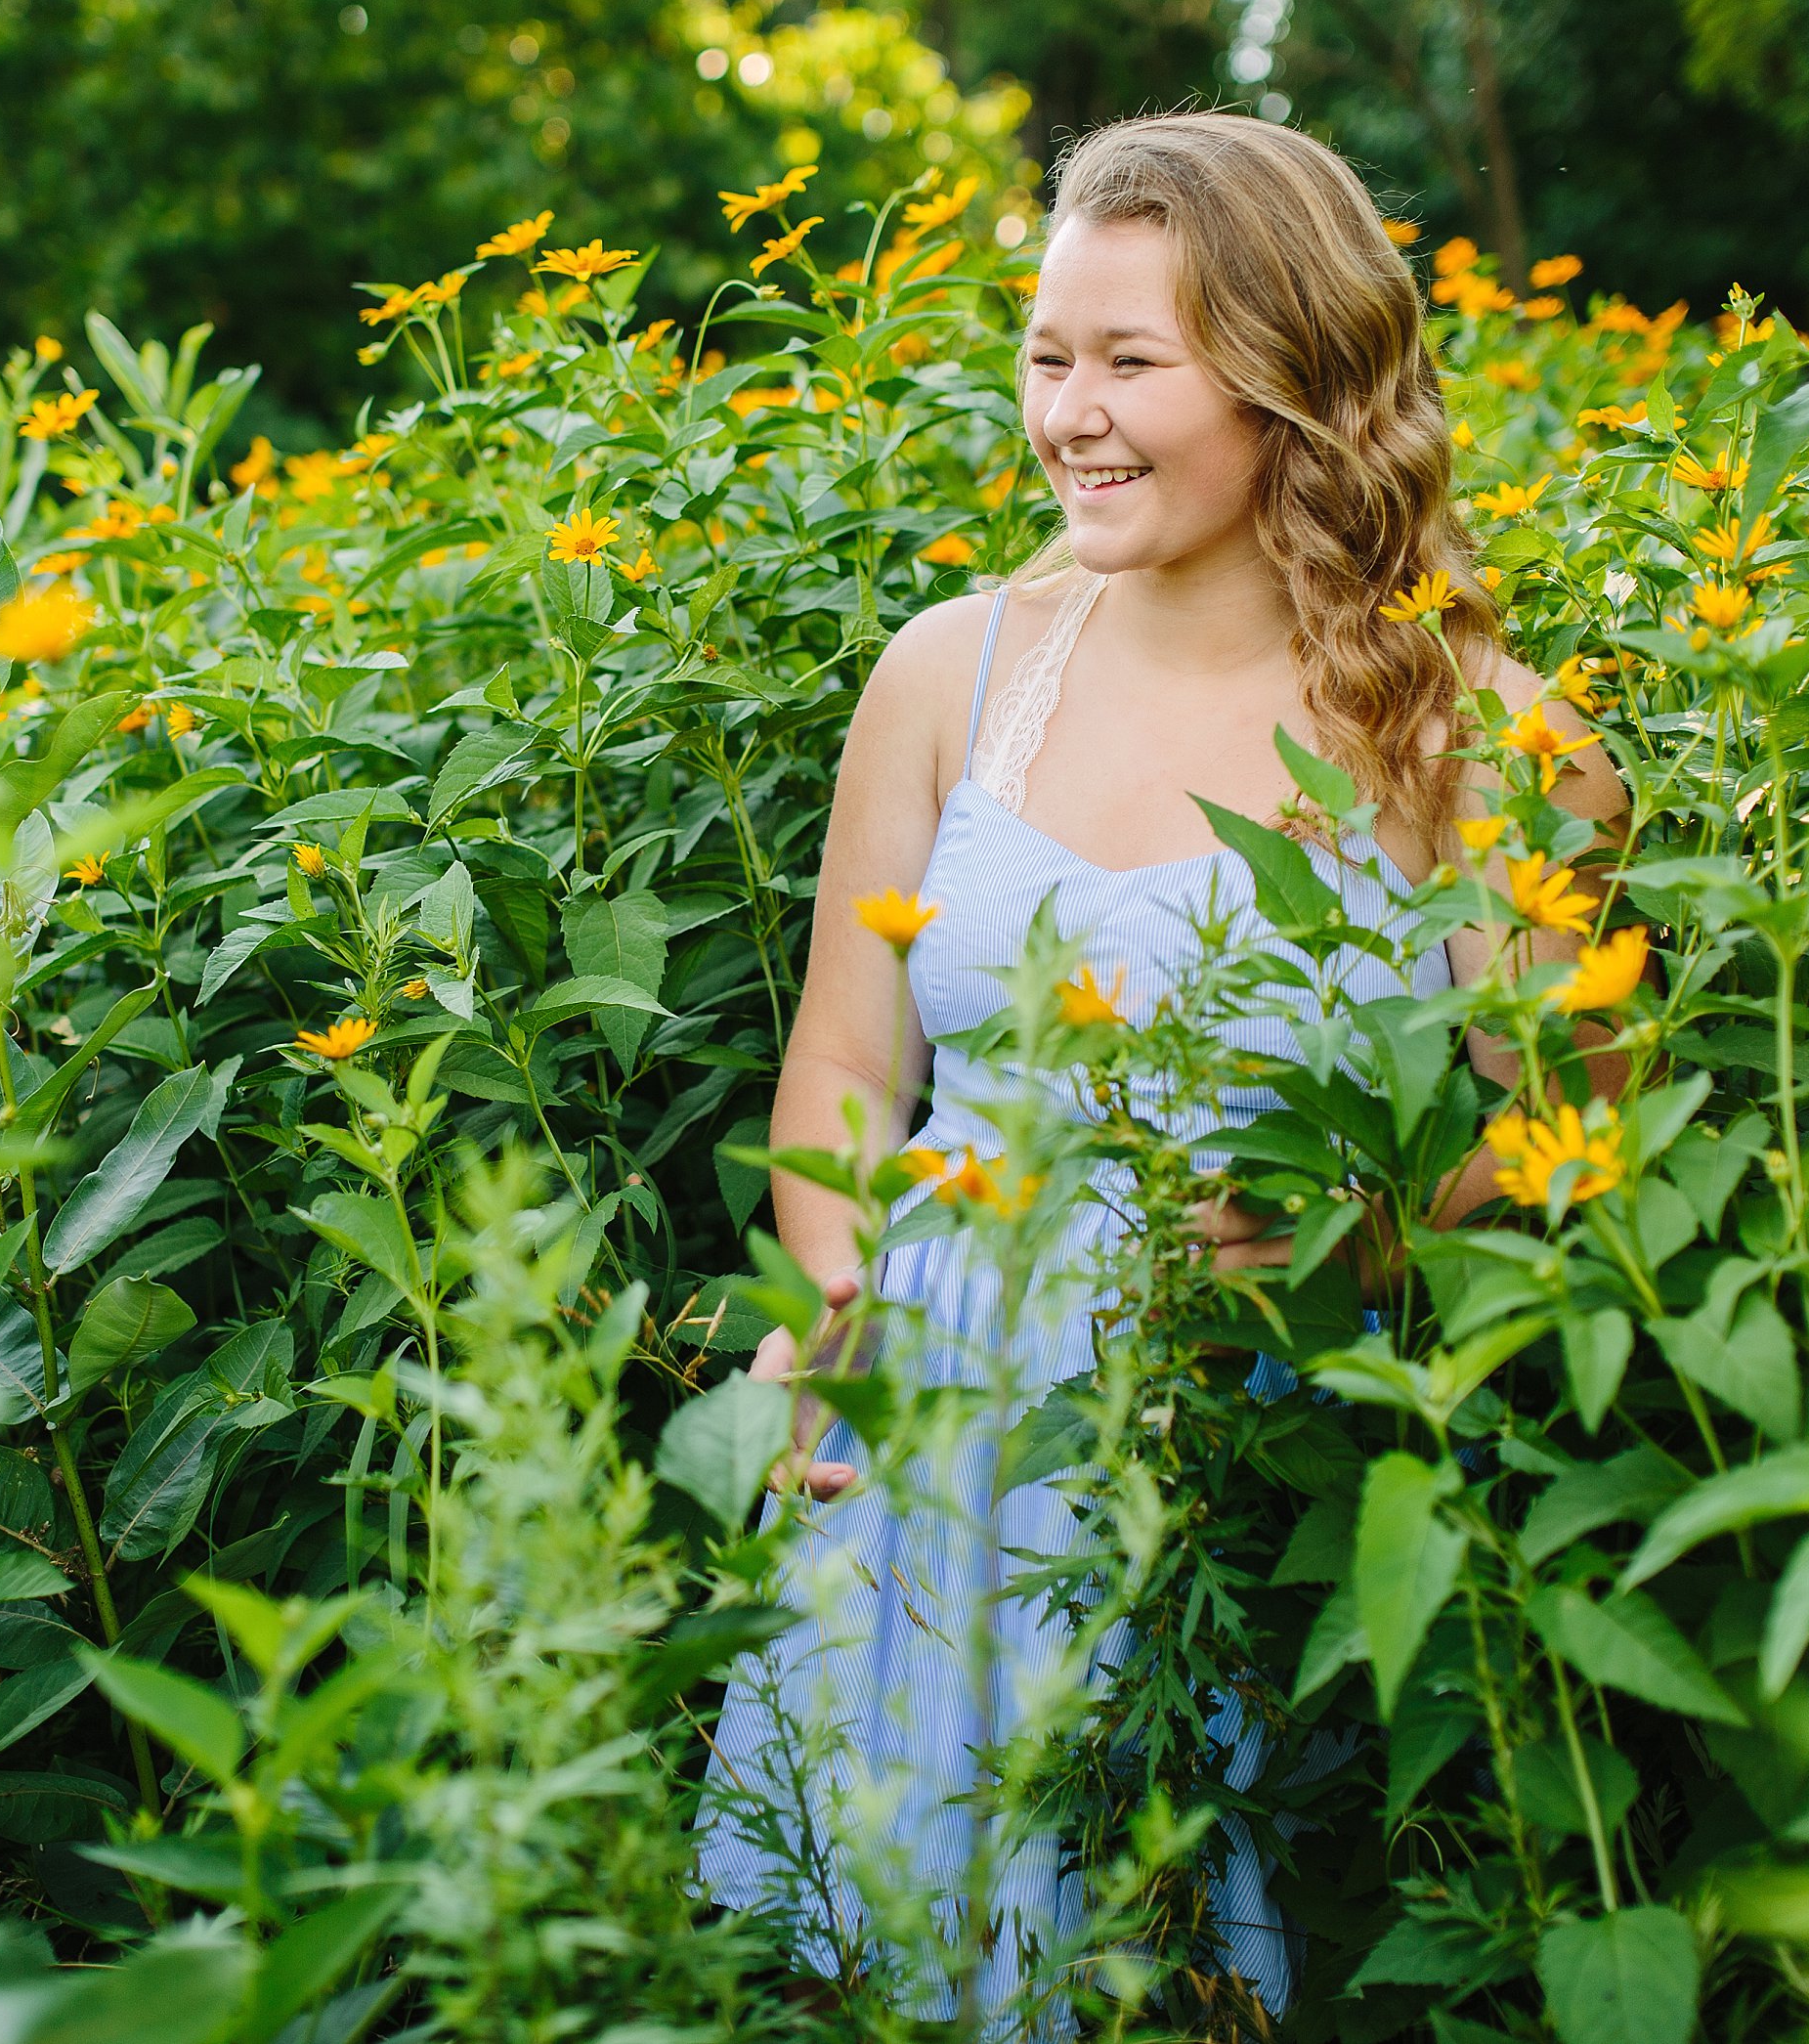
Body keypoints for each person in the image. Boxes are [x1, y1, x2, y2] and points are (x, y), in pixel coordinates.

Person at [692, 112, 1631, 2023]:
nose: (1073, 414)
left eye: (1133, 361)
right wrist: (826, 1305)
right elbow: (847, 1063)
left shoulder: (1485, 740)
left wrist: (1353, 1239)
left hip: (1267, 1482)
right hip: (935, 1458)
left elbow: (1568, 1138)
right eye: (1048, 354)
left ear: (1293, 374)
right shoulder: (950, 672)